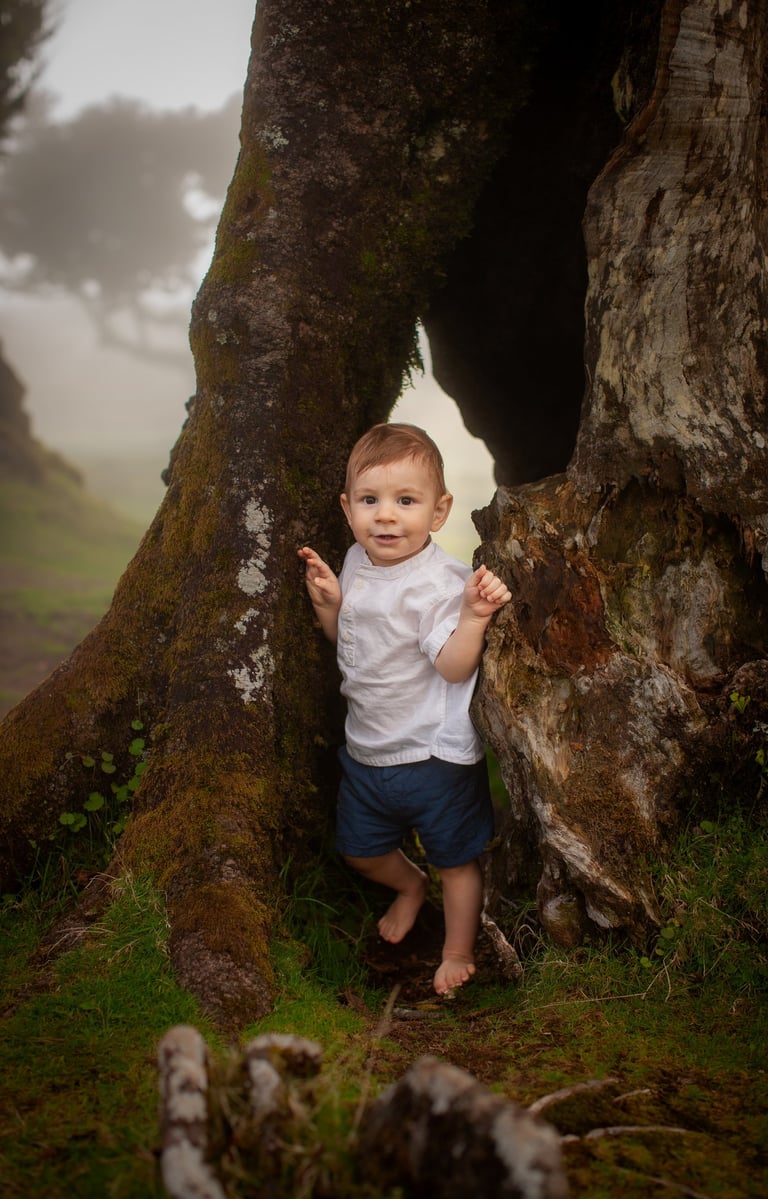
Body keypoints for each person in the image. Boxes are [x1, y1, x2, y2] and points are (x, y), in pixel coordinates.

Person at [298, 422, 511, 995]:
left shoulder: (441, 582)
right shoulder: (354, 559)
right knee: (360, 849)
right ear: (348, 509)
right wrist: (330, 605)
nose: (386, 516)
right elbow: (349, 642)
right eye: (371, 501)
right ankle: (409, 886)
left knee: (458, 859)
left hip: (433, 754)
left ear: (439, 512)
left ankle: (458, 948)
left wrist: (471, 619)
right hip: (367, 750)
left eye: (405, 501)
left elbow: (453, 667)